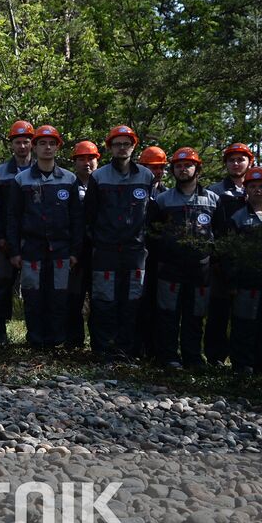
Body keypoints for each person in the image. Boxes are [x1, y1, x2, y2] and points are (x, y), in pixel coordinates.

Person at [83, 126, 158, 363]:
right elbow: (90, 215)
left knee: (132, 300)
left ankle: (128, 349)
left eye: (126, 143)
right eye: (117, 144)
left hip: (135, 251)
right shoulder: (99, 176)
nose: (122, 148)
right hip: (105, 249)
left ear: (133, 146)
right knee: (104, 300)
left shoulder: (146, 176)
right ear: (110, 148)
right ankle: (102, 348)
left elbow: (151, 216)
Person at [7, 125, 84, 348]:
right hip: (31, 248)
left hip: (61, 249)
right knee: (33, 295)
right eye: (42, 143)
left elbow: (77, 219)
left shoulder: (69, 180)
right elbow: (13, 217)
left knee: (58, 295)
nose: (47, 148)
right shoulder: (22, 180)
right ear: (35, 146)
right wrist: (14, 251)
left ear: (57, 147)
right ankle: (35, 340)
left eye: (52, 143)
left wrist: (75, 252)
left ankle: (56, 340)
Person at [146, 147, 220, 369]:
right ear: (173, 170)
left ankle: (193, 357)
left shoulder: (214, 200)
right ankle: (168, 356)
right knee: (167, 314)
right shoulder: (163, 200)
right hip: (170, 267)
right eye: (178, 166)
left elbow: (223, 235)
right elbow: (152, 232)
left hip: (201, 268)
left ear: (197, 168)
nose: (183, 169)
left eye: (188, 165)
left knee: (195, 316)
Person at [220, 166, 262, 375]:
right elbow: (228, 253)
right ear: (246, 190)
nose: (258, 190)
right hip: (246, 282)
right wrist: (231, 281)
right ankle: (242, 365)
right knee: (244, 324)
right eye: (253, 186)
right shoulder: (237, 218)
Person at [205, 142, 255, 366]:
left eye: (240, 159)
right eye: (231, 160)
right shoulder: (215, 191)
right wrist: (215, 257)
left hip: (249, 263)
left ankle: (242, 359)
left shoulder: (256, 188)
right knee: (218, 310)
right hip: (221, 261)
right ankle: (215, 357)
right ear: (226, 163)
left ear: (249, 162)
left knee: (245, 314)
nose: (236, 164)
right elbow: (209, 227)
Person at [0, 120, 35, 345]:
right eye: (18, 142)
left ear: (32, 144)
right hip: (6, 241)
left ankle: (33, 333)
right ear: (12, 145)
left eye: (26, 142)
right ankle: (0, 332)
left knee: (32, 288)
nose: (22, 146)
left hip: (32, 241)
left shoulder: (41, 170)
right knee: (2, 286)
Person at [135, 145, 169, 359]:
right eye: (151, 167)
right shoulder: (134, 191)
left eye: (160, 168)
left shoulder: (167, 195)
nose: (156, 172)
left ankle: (156, 348)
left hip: (160, 258)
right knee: (138, 302)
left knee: (159, 305)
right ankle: (137, 346)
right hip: (136, 253)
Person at [66, 140, 100, 349]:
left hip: (100, 251)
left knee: (99, 298)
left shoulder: (105, 183)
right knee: (73, 297)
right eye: (81, 159)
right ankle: (73, 341)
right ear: (74, 162)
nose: (86, 163)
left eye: (91, 158)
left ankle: (99, 342)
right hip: (75, 252)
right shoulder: (68, 184)